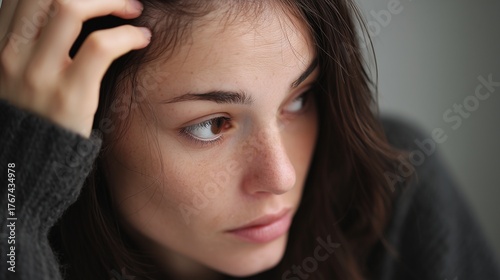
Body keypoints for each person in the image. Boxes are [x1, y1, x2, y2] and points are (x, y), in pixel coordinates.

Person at [0, 0, 499, 279]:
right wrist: (18, 213)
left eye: (298, 100)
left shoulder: (392, 185)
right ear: (85, 129)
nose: (280, 177)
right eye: (212, 124)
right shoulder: (17, 233)